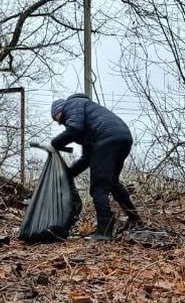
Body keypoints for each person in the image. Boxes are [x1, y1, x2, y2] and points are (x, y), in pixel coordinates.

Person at [50, 93, 142, 240]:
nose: (59, 123)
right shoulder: (88, 122)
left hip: (107, 139)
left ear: (60, 110)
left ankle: (104, 232)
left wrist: (54, 144)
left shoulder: (71, 105)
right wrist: (69, 174)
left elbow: (74, 129)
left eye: (57, 118)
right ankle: (134, 218)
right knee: (112, 182)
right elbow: (87, 158)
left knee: (98, 188)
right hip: (123, 137)